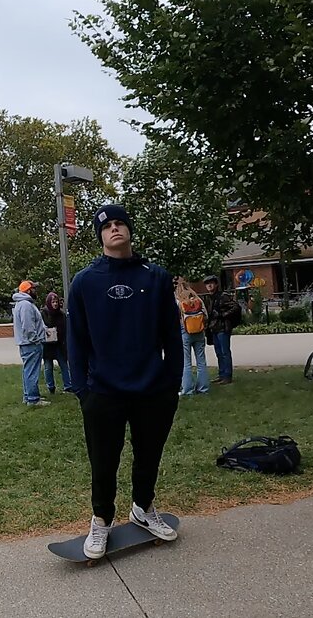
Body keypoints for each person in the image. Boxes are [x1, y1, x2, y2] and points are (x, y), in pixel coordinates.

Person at [67, 204, 182, 560]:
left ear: (129, 230)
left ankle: (143, 508)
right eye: (107, 226)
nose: (115, 229)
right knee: (104, 461)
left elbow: (171, 336)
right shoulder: (85, 281)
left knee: (148, 456)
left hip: (153, 390)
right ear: (100, 236)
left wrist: (172, 383)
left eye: (120, 223)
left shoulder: (156, 277)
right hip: (103, 392)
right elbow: (76, 340)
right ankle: (101, 519)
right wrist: (82, 390)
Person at [12, 280, 48, 406]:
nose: (35, 291)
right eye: (33, 289)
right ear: (28, 290)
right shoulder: (26, 305)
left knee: (28, 370)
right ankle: (33, 399)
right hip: (30, 344)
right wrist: (36, 340)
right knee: (32, 371)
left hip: (27, 343)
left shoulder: (23, 304)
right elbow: (27, 326)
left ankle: (28, 396)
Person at [203, 275, 242, 385]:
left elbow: (236, 307)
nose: (209, 285)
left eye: (211, 283)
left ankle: (227, 376)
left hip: (223, 328)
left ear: (216, 284)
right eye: (207, 284)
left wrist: (223, 314)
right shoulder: (208, 298)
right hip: (214, 328)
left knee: (225, 352)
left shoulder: (223, 296)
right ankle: (221, 375)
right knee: (219, 353)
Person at [178, 281, 211, 396]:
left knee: (186, 363)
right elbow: (206, 316)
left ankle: (188, 390)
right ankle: (203, 389)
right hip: (200, 333)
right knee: (201, 361)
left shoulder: (179, 301)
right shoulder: (198, 300)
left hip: (185, 333)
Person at [41, 291, 72, 394]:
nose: (55, 304)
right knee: (48, 367)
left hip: (59, 344)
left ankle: (68, 385)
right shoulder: (44, 313)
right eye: (53, 302)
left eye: (56, 302)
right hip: (48, 345)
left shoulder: (61, 314)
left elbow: (66, 328)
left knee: (64, 365)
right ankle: (51, 387)